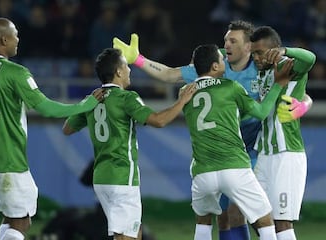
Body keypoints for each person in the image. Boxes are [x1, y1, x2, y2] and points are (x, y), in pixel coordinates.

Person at [113, 20, 313, 240]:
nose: (226, 45)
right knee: (229, 215)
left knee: (245, 213)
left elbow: (296, 86)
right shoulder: (217, 64)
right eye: (226, 39)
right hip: (228, 151)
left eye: (233, 41)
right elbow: (170, 74)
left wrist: (304, 104)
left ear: (249, 47)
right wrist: (138, 60)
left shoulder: (262, 64)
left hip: (253, 148)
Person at [0, 18, 104, 240]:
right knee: (21, 221)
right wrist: (85, 105)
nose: (18, 39)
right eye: (15, 35)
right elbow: (48, 109)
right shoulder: (16, 73)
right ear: (3, 39)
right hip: (8, 160)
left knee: (12, 217)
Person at [62, 47, 197, 240]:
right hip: (122, 177)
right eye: (126, 66)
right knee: (126, 237)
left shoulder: (92, 100)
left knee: (133, 232)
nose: (130, 70)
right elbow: (159, 120)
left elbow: (67, 129)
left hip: (101, 178)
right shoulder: (127, 98)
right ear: (118, 71)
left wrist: (85, 105)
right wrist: (182, 101)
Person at [183, 44, 293, 240]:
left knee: (203, 222)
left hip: (202, 170)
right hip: (233, 166)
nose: (224, 59)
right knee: (265, 220)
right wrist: (278, 84)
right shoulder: (231, 87)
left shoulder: (185, 91)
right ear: (215, 67)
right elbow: (260, 112)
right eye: (220, 58)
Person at [250, 26, 316, 240]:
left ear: (273, 51)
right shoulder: (260, 73)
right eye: (253, 53)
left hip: (286, 153)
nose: (256, 57)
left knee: (282, 222)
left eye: (260, 52)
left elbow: (310, 58)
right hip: (264, 153)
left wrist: (285, 51)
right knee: (256, 216)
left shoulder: (287, 67)